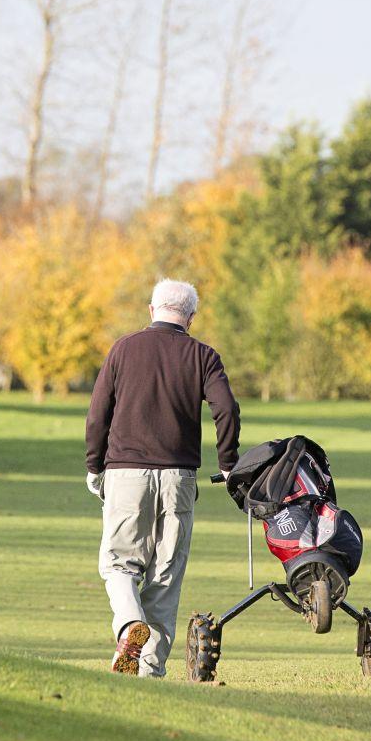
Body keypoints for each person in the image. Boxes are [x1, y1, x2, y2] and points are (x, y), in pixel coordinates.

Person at [84, 278, 240, 676]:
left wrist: (93, 465)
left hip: (125, 473)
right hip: (179, 477)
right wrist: (227, 463)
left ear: (151, 310)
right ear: (190, 317)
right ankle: (150, 669)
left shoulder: (123, 348)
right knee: (166, 574)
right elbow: (226, 409)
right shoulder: (203, 356)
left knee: (119, 564)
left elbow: (98, 413)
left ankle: (128, 625)